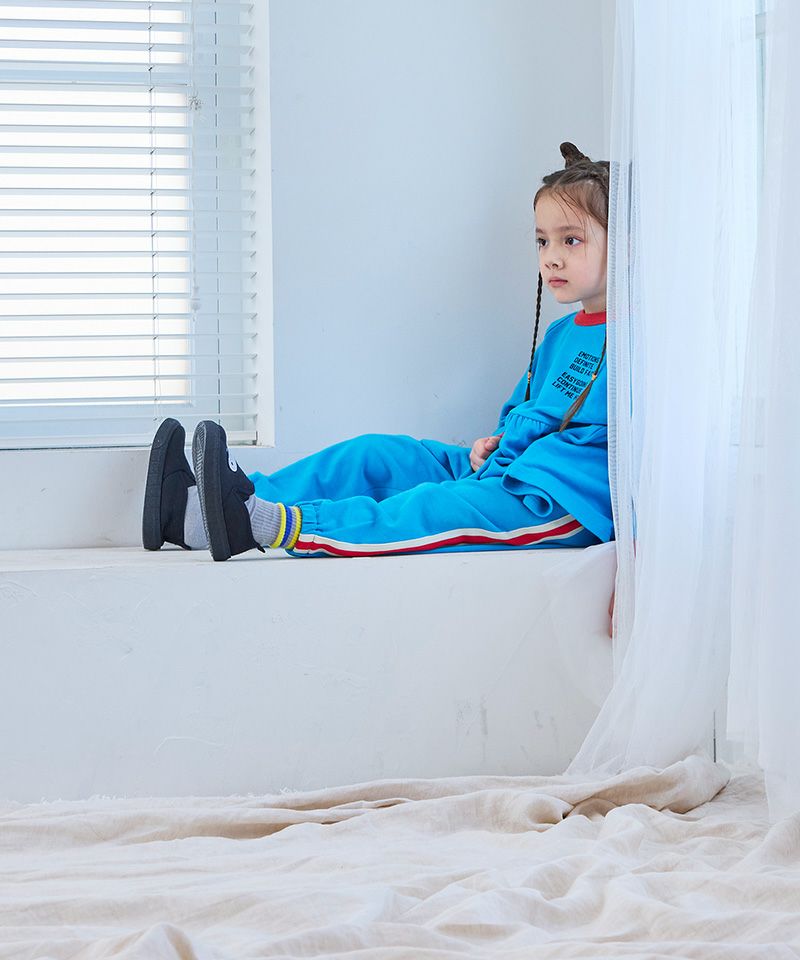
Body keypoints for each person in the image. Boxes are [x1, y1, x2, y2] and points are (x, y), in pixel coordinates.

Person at [142, 142, 612, 562]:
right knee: (375, 454)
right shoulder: (561, 333)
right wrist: (491, 443)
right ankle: (206, 508)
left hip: (559, 499)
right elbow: (519, 411)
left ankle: (270, 523)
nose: (551, 256)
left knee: (432, 507)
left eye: (571, 240)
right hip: (505, 467)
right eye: (542, 240)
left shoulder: (637, 347)